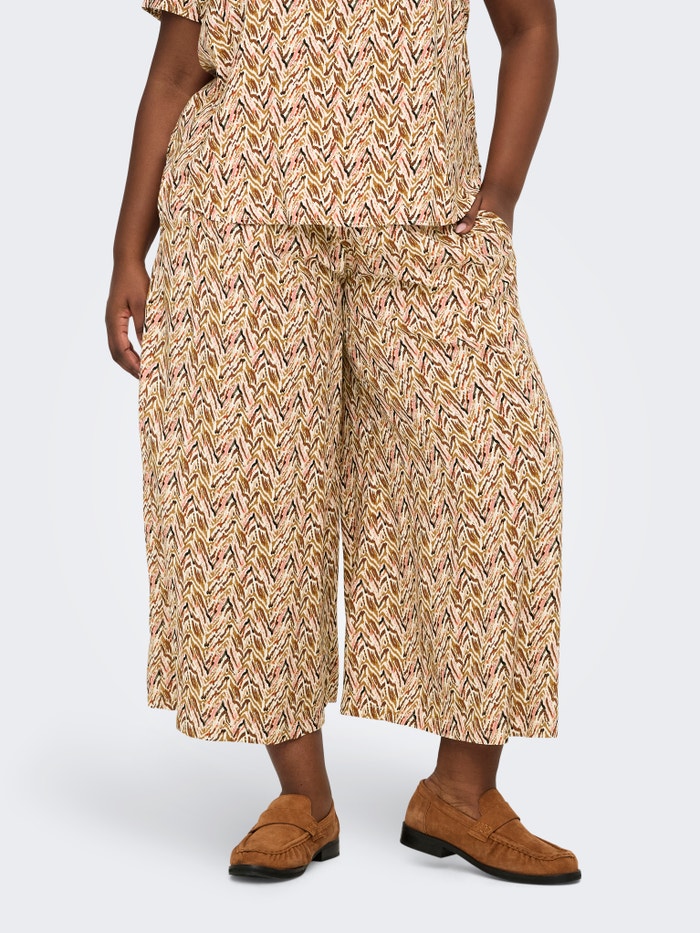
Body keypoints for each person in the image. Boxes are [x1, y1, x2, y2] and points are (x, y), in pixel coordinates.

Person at [105, 0, 581, 884]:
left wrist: (501, 199)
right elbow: (175, 72)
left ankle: (463, 791)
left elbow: (531, 28)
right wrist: (129, 247)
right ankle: (302, 796)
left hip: (427, 217)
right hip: (237, 218)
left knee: (501, 466)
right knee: (251, 493)